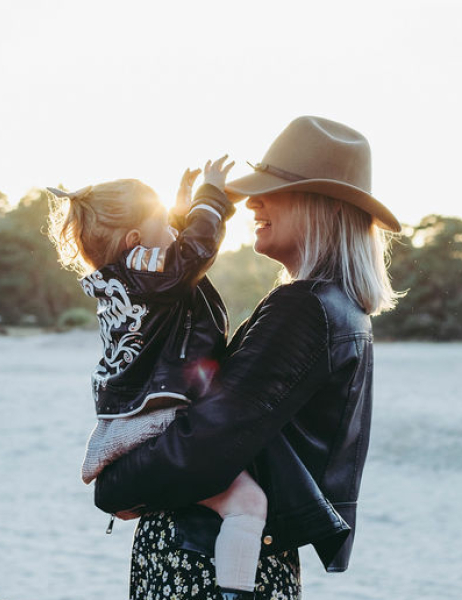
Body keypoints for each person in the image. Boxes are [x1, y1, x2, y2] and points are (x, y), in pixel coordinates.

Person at [93, 116, 403, 600]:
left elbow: (203, 448)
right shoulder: (341, 308)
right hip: (241, 560)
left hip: (202, 567)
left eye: (271, 191)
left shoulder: (304, 308)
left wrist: (111, 484)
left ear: (320, 207)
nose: (254, 202)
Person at [46, 157, 271, 599]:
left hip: (132, 413)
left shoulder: (128, 279)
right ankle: (236, 592)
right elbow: (193, 253)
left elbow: (177, 254)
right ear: (135, 242)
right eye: (162, 224)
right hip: (159, 413)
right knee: (248, 504)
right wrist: (210, 197)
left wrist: (181, 210)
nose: (173, 230)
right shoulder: (149, 272)